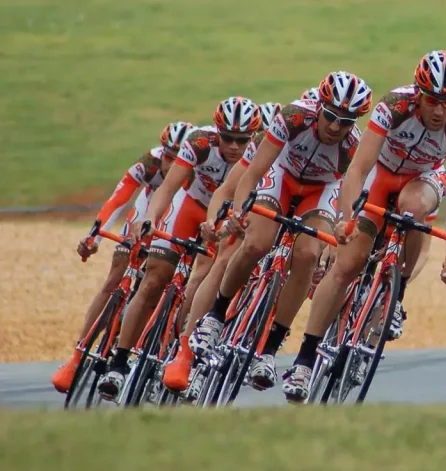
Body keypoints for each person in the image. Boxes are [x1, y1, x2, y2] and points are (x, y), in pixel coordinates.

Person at [164, 73, 372, 402]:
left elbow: (348, 194)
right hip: (281, 176)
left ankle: (270, 350)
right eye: (331, 116)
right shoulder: (291, 118)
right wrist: (238, 213)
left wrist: (343, 229)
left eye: (346, 122)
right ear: (319, 108)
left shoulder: (353, 146)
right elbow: (252, 174)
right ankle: (216, 316)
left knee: (305, 255)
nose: (335, 127)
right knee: (257, 243)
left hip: (320, 190)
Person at [293, 51, 446, 401]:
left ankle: (396, 290)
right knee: (347, 265)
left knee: (412, 208)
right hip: (380, 172)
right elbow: (358, 169)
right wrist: (346, 221)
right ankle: (304, 359)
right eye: (433, 100)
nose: (440, 111)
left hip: (422, 179)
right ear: (419, 94)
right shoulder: (394, 105)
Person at [95, 97, 264, 400]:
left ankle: (183, 345)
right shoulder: (199, 143)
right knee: (154, 279)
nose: (234, 146)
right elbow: (167, 189)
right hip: (189, 208)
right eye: (227, 138)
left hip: (228, 217)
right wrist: (149, 218)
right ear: (217, 132)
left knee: (208, 273)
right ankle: (119, 363)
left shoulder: (261, 154)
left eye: (242, 140)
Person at [50, 121, 193, 394]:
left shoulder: (200, 170)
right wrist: (95, 237)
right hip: (149, 210)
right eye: (169, 157)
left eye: (179, 159)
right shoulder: (150, 162)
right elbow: (119, 198)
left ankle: (155, 352)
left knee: (167, 280)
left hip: (181, 213)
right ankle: (77, 356)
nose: (172, 165)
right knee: (117, 274)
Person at [159, 101, 282, 397]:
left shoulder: (300, 154)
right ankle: (185, 346)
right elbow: (227, 192)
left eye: (245, 139)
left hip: (273, 210)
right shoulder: (256, 150)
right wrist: (217, 223)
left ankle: (260, 343)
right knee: (218, 260)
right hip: (236, 208)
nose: (236, 145)